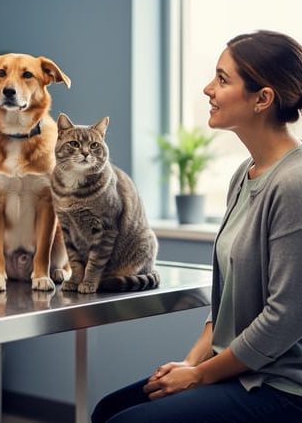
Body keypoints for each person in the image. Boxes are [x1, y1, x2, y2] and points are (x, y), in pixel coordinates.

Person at [91, 30, 302, 422]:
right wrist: (187, 365)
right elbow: (226, 307)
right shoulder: (245, 174)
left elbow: (284, 318)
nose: (208, 89)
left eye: (223, 80)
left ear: (263, 98)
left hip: (281, 387)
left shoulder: (293, 184)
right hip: (236, 371)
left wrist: (199, 377)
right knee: (109, 410)